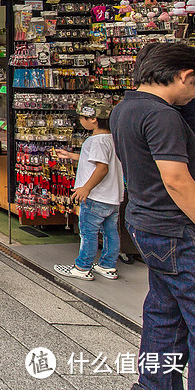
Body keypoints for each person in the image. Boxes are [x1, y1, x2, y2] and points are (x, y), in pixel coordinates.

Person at [111, 42, 195, 390]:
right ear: (184, 76)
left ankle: (153, 385)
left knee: (164, 316)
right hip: (176, 229)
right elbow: (176, 179)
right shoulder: (162, 115)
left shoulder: (123, 108)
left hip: (146, 221)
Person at [53, 98, 125, 281]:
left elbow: (102, 168)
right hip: (112, 197)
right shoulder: (111, 138)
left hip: (96, 197)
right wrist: (71, 156)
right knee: (110, 233)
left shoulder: (96, 141)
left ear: (93, 119)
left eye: (82, 116)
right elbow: (96, 160)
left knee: (88, 232)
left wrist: (86, 188)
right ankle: (107, 265)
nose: (80, 120)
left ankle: (82, 267)